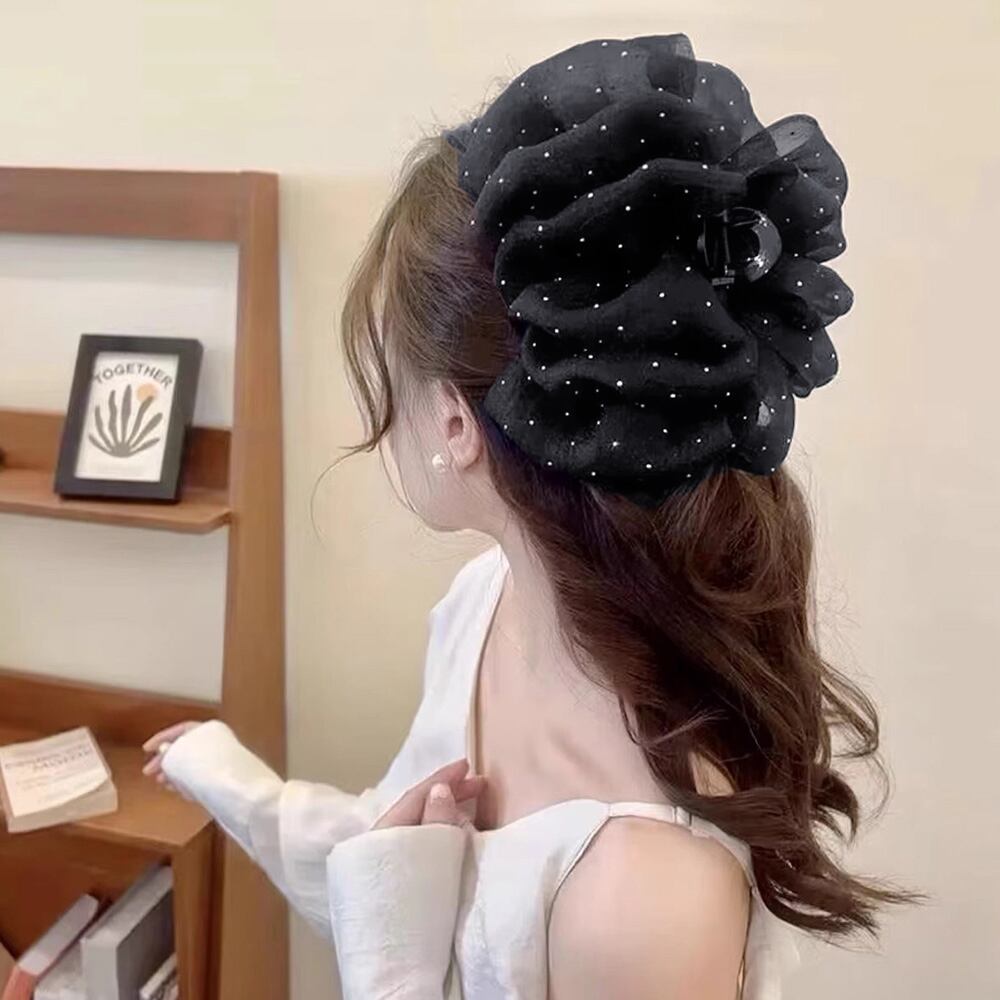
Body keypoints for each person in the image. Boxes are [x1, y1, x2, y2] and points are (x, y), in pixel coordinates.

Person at [142, 32, 921, 1000]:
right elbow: (400, 832)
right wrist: (233, 783)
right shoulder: (487, 600)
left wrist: (391, 961)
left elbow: (414, 894)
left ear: (455, 423)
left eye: (388, 377)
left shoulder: (641, 904)